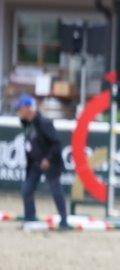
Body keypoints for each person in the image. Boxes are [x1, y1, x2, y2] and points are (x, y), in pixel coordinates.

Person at [15, 95, 70, 229]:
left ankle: (64, 221)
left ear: (28, 108)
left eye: (20, 109)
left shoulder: (44, 122)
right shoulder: (28, 124)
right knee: (27, 189)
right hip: (35, 163)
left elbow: (56, 143)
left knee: (56, 191)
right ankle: (30, 217)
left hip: (50, 163)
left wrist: (48, 159)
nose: (18, 112)